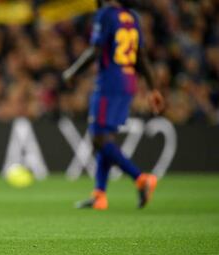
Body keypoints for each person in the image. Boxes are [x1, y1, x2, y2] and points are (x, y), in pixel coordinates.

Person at [63, 0, 165, 209]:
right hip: (128, 83)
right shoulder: (132, 17)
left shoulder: (106, 15)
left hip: (109, 83)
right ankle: (99, 194)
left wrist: (72, 72)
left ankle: (141, 178)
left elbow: (95, 50)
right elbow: (141, 56)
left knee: (98, 139)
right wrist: (153, 88)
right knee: (105, 138)